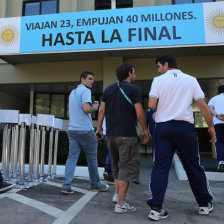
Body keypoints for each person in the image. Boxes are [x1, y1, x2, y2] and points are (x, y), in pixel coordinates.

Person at [147, 54, 215, 221]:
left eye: (159, 66)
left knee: (160, 166)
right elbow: (202, 105)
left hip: (163, 128)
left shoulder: (158, 80)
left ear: (166, 65)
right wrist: (211, 126)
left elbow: (151, 105)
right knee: (193, 166)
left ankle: (156, 208)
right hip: (185, 128)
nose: (158, 70)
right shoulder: (191, 80)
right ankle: (204, 204)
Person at [96, 62, 149, 214]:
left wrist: (99, 129)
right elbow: (140, 113)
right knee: (125, 168)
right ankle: (120, 204)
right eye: (134, 72)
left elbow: (101, 111)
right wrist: (145, 129)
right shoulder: (133, 89)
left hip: (110, 135)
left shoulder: (109, 89)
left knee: (117, 167)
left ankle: (116, 195)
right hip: (127, 135)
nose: (135, 74)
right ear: (129, 73)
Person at [61, 71, 109, 194]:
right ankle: (95, 184)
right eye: (90, 78)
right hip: (85, 130)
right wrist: (96, 106)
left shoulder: (72, 93)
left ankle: (66, 186)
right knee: (92, 158)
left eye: (93, 79)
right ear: (83, 80)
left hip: (72, 130)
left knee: (72, 158)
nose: (92, 81)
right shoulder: (86, 91)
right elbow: (87, 108)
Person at [208, 85, 224, 172]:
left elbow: (210, 109)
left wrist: (217, 115)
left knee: (220, 142)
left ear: (218, 91)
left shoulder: (214, 99)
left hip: (219, 123)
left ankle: (221, 162)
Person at [102, 118, 114, 183]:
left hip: (105, 132)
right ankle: (110, 174)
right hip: (113, 132)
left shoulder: (103, 107)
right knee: (113, 153)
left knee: (110, 152)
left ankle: (107, 170)